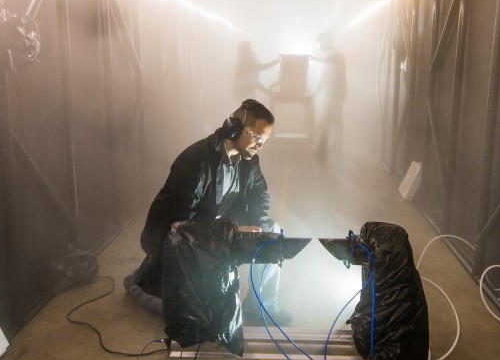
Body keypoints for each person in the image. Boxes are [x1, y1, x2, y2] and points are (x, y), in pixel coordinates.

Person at [123, 99, 292, 326]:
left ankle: (261, 306)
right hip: (179, 240)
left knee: (270, 230)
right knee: (198, 317)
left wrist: (257, 225)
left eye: (265, 141)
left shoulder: (248, 159)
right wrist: (232, 231)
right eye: (257, 138)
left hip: (217, 231)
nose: (260, 146)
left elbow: (260, 194)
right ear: (234, 127)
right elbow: (182, 226)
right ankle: (138, 284)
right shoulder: (195, 161)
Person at [311, 32, 347, 158]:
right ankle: (335, 149)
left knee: (327, 120)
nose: (320, 46)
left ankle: (323, 150)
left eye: (320, 43)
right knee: (335, 121)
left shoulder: (331, 55)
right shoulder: (335, 54)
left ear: (326, 43)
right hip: (338, 92)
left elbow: (325, 76)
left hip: (334, 93)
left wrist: (315, 92)